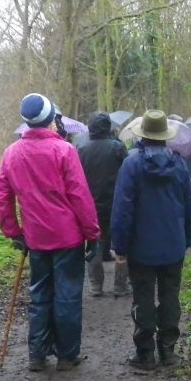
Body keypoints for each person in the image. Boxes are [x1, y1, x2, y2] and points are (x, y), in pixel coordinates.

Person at [0, 93, 100, 372]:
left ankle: (36, 355)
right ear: (52, 119)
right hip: (68, 237)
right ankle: (66, 355)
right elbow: (80, 196)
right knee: (67, 295)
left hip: (36, 237)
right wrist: (93, 234)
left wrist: (13, 231)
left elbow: (0, 195)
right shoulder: (64, 151)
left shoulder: (12, 153)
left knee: (39, 294)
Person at [111, 110, 191, 370]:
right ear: (164, 136)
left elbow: (123, 208)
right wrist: (188, 238)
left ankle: (145, 353)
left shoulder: (131, 164)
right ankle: (168, 350)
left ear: (143, 134)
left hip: (141, 246)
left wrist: (120, 245)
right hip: (173, 244)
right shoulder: (179, 163)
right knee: (170, 296)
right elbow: (189, 204)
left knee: (143, 297)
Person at [77, 111, 130, 298]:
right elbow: (128, 172)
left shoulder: (81, 148)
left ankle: (95, 285)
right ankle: (120, 285)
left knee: (95, 244)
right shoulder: (117, 147)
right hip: (117, 203)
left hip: (91, 205)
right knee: (121, 244)